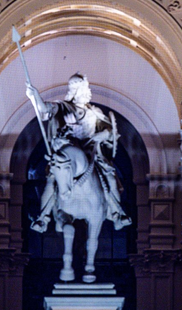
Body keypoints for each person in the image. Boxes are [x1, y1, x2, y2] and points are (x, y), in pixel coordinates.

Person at [25, 74, 130, 233]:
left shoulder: (94, 111)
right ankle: (43, 217)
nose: (88, 92)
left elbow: (110, 131)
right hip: (67, 156)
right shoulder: (62, 107)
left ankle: (117, 214)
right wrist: (35, 97)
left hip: (92, 154)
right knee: (52, 181)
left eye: (86, 88)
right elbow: (44, 110)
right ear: (75, 91)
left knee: (110, 177)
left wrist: (104, 134)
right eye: (84, 89)